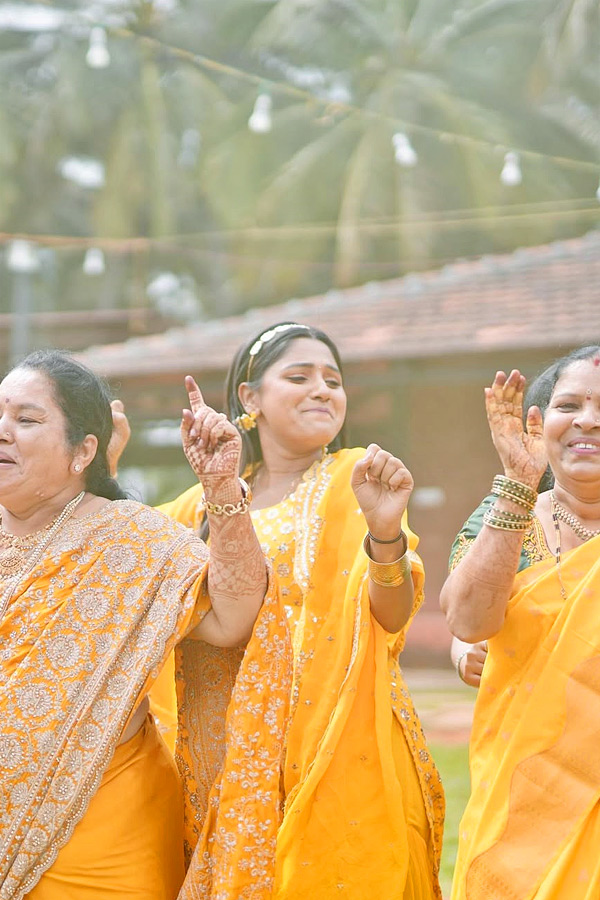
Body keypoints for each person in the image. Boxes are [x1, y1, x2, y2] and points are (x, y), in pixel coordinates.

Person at [148, 322, 445, 899]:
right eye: (300, 376)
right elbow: (136, 577)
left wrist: (385, 532)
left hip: (331, 747)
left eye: (333, 380)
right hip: (223, 753)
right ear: (250, 399)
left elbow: (391, 615)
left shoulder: (352, 479)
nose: (323, 390)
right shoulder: (195, 503)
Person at [0, 350, 289, 900]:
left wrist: (223, 490)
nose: (3, 432)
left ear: (84, 450)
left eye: (27, 419)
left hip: (102, 834)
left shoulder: (132, 541)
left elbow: (234, 617)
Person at [440, 345, 600, 900]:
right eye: (569, 405)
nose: (588, 420)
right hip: (524, 794)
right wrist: (518, 482)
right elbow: (467, 619)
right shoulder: (506, 516)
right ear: (539, 422)